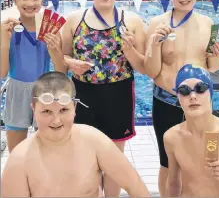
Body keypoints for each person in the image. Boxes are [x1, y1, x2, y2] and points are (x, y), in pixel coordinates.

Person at [61, 0, 146, 197]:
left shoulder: (133, 21)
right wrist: (70, 62)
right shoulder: (74, 19)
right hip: (83, 94)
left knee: (114, 159)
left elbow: (143, 67)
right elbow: (63, 55)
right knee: (84, 157)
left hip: (118, 94)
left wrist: (130, 50)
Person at [1, 71, 151, 198]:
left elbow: (136, 186)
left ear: (74, 107)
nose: (56, 120)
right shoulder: (20, 161)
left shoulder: (94, 141)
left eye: (63, 110)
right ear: (33, 109)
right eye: (47, 111)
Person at [144, 0, 219, 196]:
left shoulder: (209, 24)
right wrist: (155, 44)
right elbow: (151, 71)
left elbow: (213, 68)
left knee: (209, 155)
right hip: (167, 101)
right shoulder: (157, 23)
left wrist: (216, 55)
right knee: (167, 162)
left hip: (201, 102)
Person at [1, 0, 67, 153]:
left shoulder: (50, 28)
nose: (30, 3)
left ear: (42, 1)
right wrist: (4, 41)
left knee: (46, 151)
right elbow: (2, 73)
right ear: (14, 0)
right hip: (16, 91)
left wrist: (54, 49)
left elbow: (61, 71)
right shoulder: (7, 30)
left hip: (43, 91)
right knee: (16, 153)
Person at [164, 64, 219, 197]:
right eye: (184, 90)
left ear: (211, 93)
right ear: (178, 97)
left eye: (200, 88)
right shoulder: (172, 137)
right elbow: (173, 183)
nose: (193, 96)